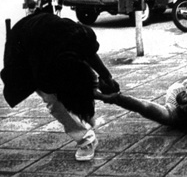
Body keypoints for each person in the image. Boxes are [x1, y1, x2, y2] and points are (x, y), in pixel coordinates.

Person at [1, 12, 120, 161]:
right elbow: (59, 91)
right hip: (25, 51)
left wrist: (106, 76)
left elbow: (89, 53)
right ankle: (86, 139)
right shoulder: (44, 69)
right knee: (54, 101)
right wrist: (102, 96)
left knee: (81, 79)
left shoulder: (79, 35)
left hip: (46, 32)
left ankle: (87, 115)